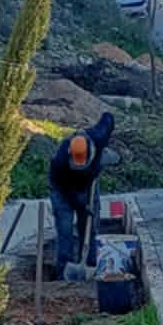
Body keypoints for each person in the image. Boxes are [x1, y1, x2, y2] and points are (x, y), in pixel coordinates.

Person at [47, 111, 115, 275]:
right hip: (63, 191)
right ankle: (63, 270)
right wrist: (81, 205)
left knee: (90, 227)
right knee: (65, 229)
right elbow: (64, 189)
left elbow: (108, 118)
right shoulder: (60, 162)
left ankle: (90, 264)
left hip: (87, 186)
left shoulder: (98, 137)